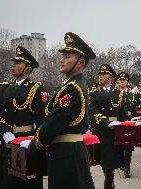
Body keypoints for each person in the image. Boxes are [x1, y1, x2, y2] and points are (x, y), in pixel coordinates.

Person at [26, 32, 96, 189]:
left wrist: (34, 145)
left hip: (67, 155)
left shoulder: (74, 88)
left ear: (81, 62)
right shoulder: (71, 85)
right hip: (66, 153)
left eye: (68, 56)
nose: (62, 59)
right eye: (63, 55)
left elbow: (53, 122)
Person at [0, 46, 48, 189]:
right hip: (8, 139)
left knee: (27, 183)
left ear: (28, 68)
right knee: (7, 181)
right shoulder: (4, 88)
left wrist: (35, 143)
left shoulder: (37, 89)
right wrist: (4, 132)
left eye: (18, 63)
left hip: (26, 140)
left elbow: (43, 121)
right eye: (14, 62)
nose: (14, 65)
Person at [90, 64, 128, 189]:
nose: (100, 77)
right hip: (101, 131)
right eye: (99, 75)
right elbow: (94, 112)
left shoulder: (120, 93)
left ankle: (109, 182)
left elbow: (123, 115)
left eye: (103, 75)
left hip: (114, 133)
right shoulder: (94, 94)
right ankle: (109, 180)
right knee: (103, 162)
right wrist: (107, 122)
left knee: (110, 164)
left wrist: (125, 130)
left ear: (110, 77)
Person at [116, 72, 136, 178]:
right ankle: (121, 164)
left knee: (128, 147)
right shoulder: (114, 94)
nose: (122, 81)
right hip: (118, 123)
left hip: (128, 124)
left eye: (124, 80)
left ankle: (127, 167)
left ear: (127, 82)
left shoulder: (131, 95)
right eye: (120, 80)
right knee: (119, 146)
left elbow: (134, 110)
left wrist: (136, 120)